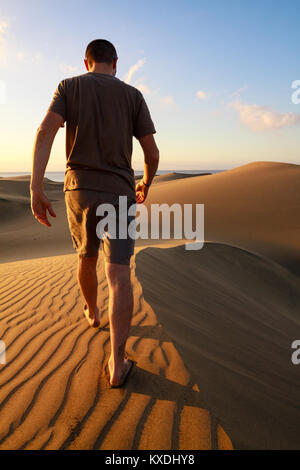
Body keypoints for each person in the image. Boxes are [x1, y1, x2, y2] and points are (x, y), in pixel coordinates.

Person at [30, 39, 159, 387]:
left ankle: (92, 313)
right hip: (119, 191)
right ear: (115, 63)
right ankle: (117, 363)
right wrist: (145, 182)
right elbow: (151, 152)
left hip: (78, 189)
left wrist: (36, 187)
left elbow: (45, 130)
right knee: (118, 274)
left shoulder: (69, 86)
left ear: (86, 63)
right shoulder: (133, 95)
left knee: (86, 258)